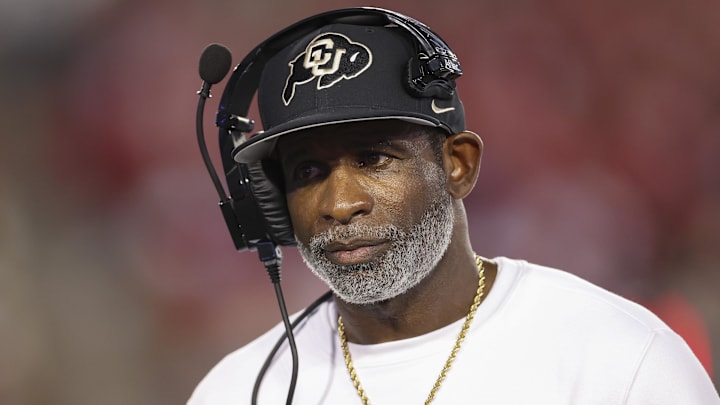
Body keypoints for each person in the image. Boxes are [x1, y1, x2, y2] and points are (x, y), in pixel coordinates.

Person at [188, 7, 719, 404]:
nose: (340, 203)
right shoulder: (238, 390)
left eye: (374, 159)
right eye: (308, 171)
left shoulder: (622, 359)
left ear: (458, 165)